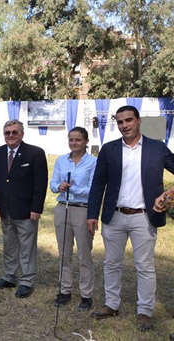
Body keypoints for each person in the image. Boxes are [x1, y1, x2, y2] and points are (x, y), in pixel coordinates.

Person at [87, 105, 174, 331]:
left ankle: (145, 311)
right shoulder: (109, 149)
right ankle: (111, 304)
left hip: (144, 218)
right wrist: (91, 214)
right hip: (113, 217)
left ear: (138, 121)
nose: (124, 125)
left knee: (144, 266)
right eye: (120, 122)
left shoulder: (157, 148)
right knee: (111, 263)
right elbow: (98, 183)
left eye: (128, 120)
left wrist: (169, 194)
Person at [0, 119, 48, 298]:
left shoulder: (35, 153)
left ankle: (27, 280)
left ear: (22, 133)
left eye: (15, 132)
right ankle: (9, 276)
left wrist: (36, 207)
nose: (11, 135)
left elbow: (40, 183)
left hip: (26, 210)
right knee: (9, 244)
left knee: (27, 247)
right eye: (7, 132)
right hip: (5, 208)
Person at [50, 127, 96, 311]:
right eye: (71, 139)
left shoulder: (93, 162)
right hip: (63, 209)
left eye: (78, 140)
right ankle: (65, 290)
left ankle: (86, 295)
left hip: (82, 210)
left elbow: (93, 189)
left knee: (84, 254)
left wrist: (73, 189)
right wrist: (59, 186)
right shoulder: (61, 160)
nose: (74, 143)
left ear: (85, 141)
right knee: (64, 253)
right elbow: (53, 184)